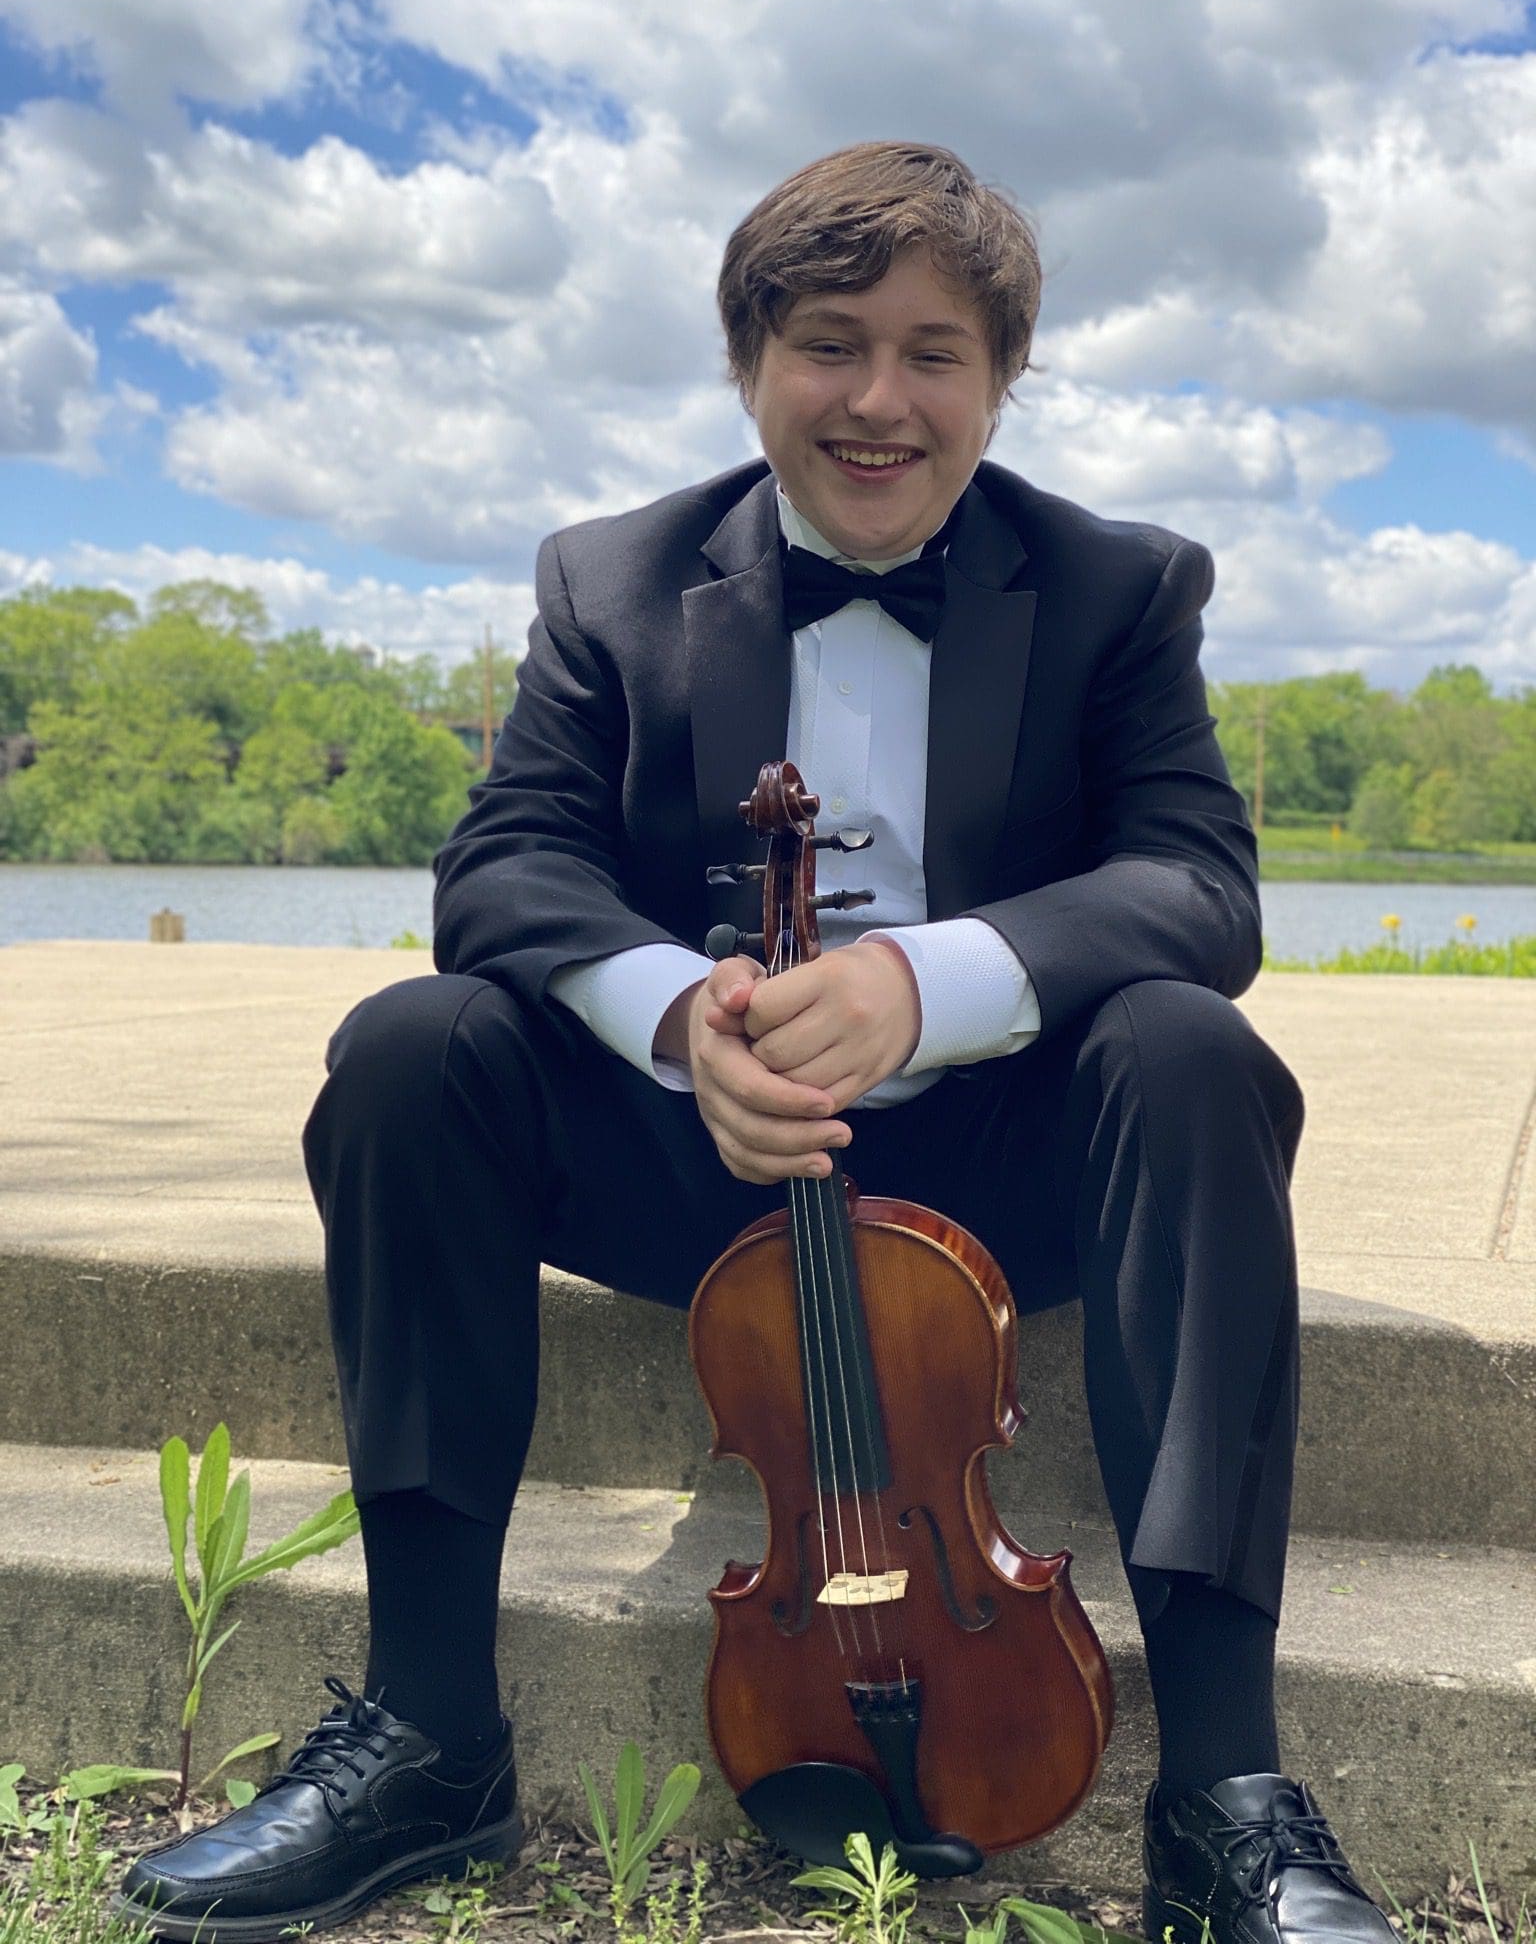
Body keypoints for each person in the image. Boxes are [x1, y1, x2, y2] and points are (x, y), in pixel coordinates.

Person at [115, 141, 1399, 1944]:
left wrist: (928, 982)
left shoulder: (1120, 586)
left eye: (935, 353)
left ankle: (1227, 1799)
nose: (881, 402)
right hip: (701, 1167)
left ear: (1003, 380)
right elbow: (505, 867)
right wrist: (675, 1018)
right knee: (412, 1050)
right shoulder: (612, 578)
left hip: (1003, 1164)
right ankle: (426, 1739)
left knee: (1192, 1054)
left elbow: (1197, 884)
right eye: (829, 345)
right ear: (747, 364)